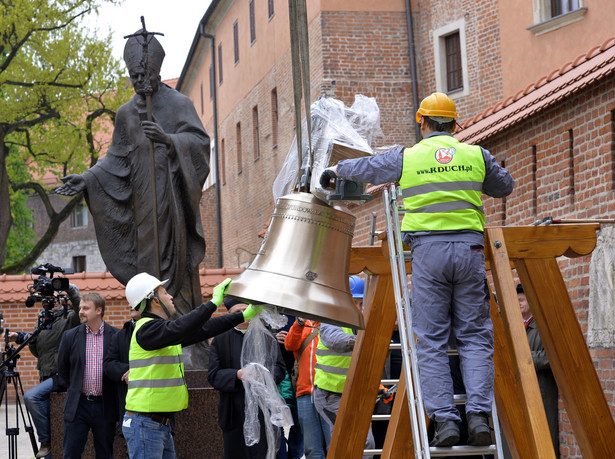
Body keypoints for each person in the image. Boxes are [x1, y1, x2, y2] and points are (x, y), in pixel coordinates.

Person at [320, 93, 514, 447]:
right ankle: (479, 416)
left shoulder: (407, 157)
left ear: (421, 122)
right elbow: (505, 186)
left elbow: (369, 167)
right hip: (470, 251)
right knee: (474, 337)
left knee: (431, 341)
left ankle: (445, 422)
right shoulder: (475, 155)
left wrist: (335, 170)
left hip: (428, 253)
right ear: (455, 125)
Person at [55, 29, 211, 368]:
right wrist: (88, 178)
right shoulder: (126, 114)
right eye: (134, 75)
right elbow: (116, 158)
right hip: (143, 209)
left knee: (179, 272)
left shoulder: (179, 103)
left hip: (172, 205)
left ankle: (187, 343)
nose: (140, 80)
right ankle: (153, 334)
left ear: (157, 70)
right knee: (147, 273)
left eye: (145, 74)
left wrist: (169, 140)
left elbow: (199, 144)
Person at [121, 273, 260, 458]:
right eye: (164, 293)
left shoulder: (162, 332)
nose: (170, 296)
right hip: (146, 424)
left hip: (157, 424)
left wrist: (243, 315)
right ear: (153, 300)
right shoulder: (147, 329)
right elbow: (182, 327)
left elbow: (204, 329)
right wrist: (213, 303)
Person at [8, 283, 81, 458]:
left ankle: (45, 441)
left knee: (31, 396)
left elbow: (79, 305)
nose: (53, 301)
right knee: (49, 420)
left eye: (58, 298)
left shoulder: (70, 317)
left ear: (66, 301)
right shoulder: (43, 319)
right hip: (45, 374)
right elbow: (38, 352)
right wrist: (28, 340)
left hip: (62, 374)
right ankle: (48, 448)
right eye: (51, 299)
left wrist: (67, 287)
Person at [208, 315, 287, 458]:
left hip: (262, 409)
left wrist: (263, 374)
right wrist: (237, 374)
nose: (244, 314)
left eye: (246, 309)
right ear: (230, 313)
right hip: (233, 409)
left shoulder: (267, 338)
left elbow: (280, 369)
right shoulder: (220, 340)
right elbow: (213, 375)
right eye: (238, 310)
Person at [313, 275, 375, 458]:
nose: (358, 308)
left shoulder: (362, 322)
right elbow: (336, 340)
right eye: (354, 303)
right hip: (330, 395)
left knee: (366, 443)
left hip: (355, 392)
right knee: (350, 442)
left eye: (361, 303)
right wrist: (365, 340)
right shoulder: (329, 319)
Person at [57, 292, 120, 458]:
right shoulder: (70, 336)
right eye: (80, 308)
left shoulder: (116, 336)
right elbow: (62, 368)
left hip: (105, 405)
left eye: (86, 308)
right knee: (70, 454)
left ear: (99, 310)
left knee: (105, 454)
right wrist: (75, 387)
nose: (80, 311)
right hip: (78, 405)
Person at [501, 284, 559, 458]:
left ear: (531, 301)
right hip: (519, 390)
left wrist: (524, 358)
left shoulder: (543, 325)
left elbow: (551, 356)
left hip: (542, 390)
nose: (517, 304)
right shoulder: (514, 327)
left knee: (544, 435)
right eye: (515, 300)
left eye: (521, 300)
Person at [285, 317, 329, 459]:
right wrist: (298, 324)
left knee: (333, 444)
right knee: (311, 449)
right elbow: (289, 345)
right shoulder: (302, 324)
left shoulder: (333, 324)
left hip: (329, 393)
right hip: (305, 393)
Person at [103, 304, 141, 441]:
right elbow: (108, 364)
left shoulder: (163, 330)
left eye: (136, 300)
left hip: (160, 413)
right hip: (130, 408)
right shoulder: (120, 335)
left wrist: (137, 371)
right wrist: (126, 371)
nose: (131, 304)